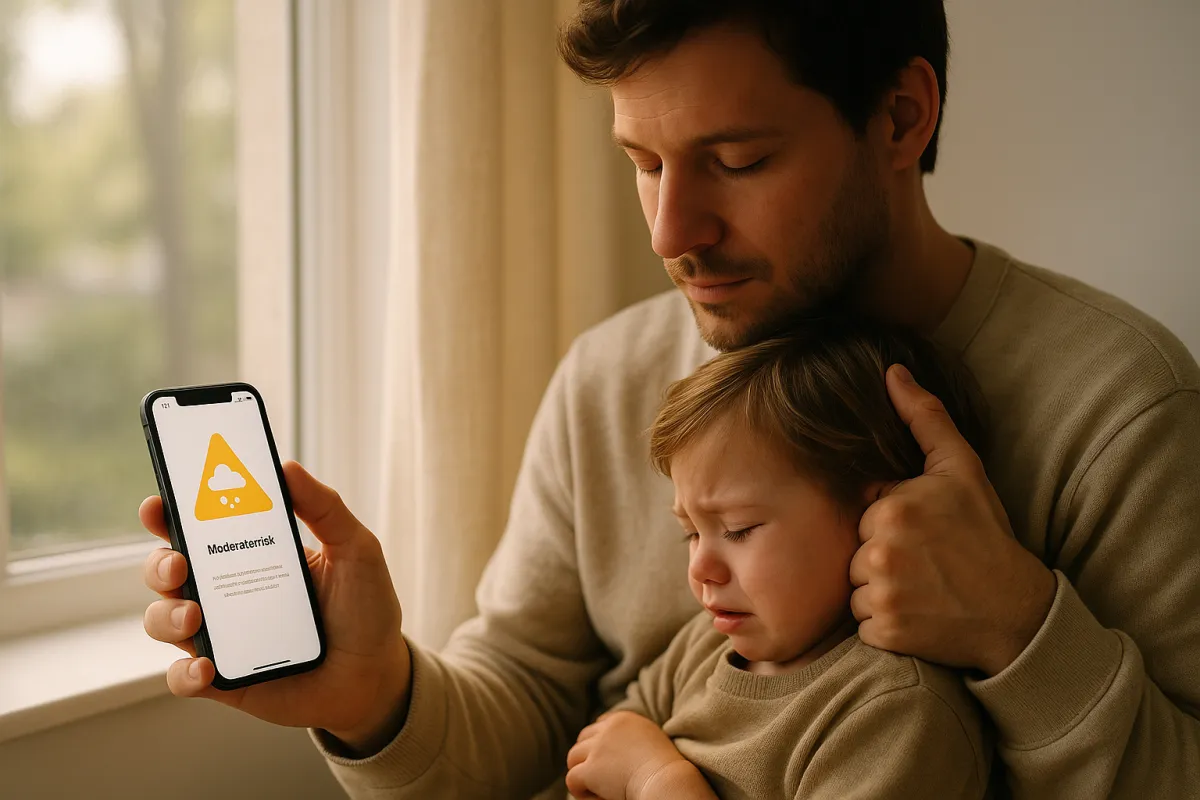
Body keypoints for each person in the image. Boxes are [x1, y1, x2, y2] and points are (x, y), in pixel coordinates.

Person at [138, 3, 1200, 798]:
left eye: (736, 161)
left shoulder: (1118, 407)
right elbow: (529, 702)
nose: (668, 230)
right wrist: (374, 698)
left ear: (902, 117)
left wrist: (1023, 629)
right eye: (642, 163)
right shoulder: (608, 380)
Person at [564, 321, 994, 799]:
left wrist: (657, 781)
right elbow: (604, 755)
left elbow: (631, 765)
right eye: (690, 532)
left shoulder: (895, 714)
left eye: (738, 529)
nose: (701, 567)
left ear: (882, 518)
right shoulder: (701, 648)